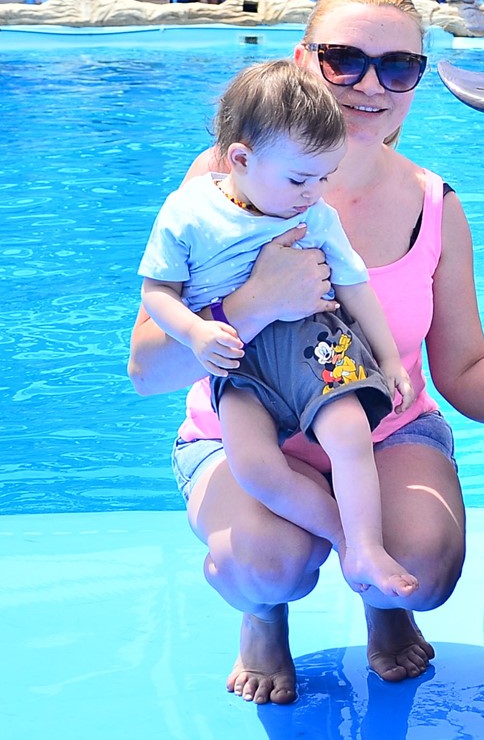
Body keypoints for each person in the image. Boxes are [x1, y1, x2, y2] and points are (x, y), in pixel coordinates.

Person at [126, 0, 484, 700]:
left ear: (417, 79)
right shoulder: (221, 184)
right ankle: (263, 615)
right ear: (302, 59)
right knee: (265, 562)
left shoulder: (433, 203)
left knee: (424, 567)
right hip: (244, 433)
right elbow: (146, 372)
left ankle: (382, 597)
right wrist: (253, 305)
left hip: (381, 430)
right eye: (343, 59)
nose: (369, 85)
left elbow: (463, 368)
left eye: (398, 66)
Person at [140, 60, 421, 596]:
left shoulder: (314, 215)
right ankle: (343, 536)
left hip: (314, 342)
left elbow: (356, 287)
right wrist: (197, 333)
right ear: (241, 159)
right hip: (237, 357)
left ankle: (366, 547)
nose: (312, 192)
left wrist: (388, 359)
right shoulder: (189, 212)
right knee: (254, 467)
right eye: (298, 179)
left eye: (324, 177)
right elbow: (157, 293)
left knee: (349, 432)